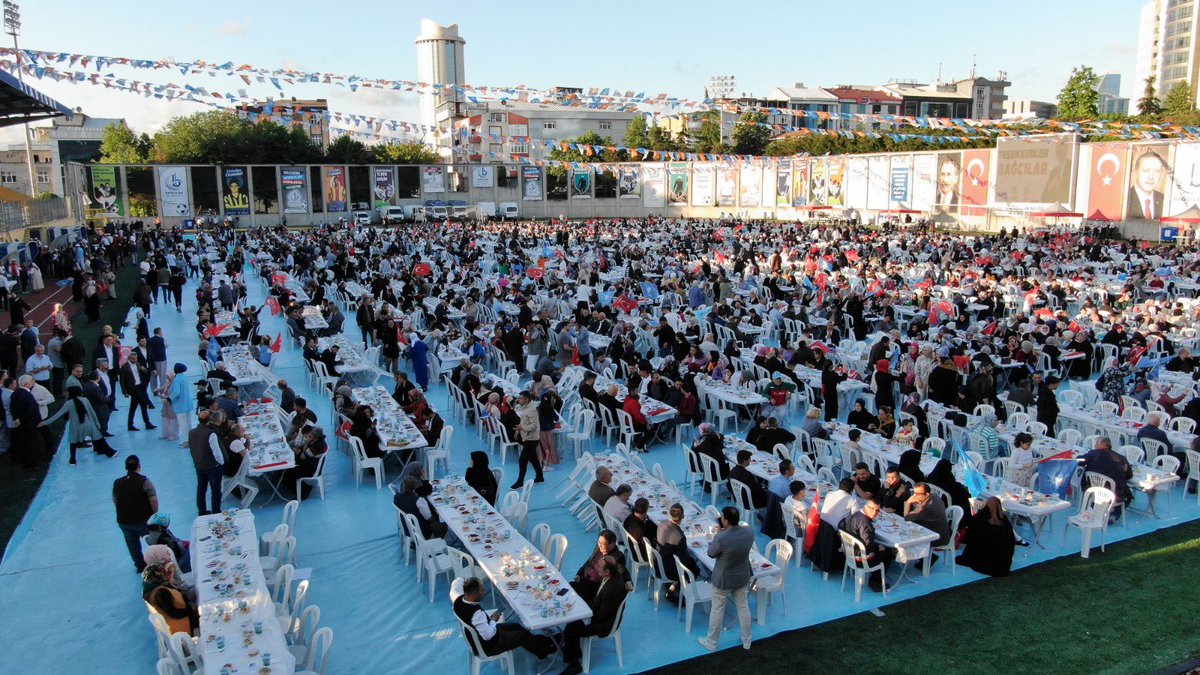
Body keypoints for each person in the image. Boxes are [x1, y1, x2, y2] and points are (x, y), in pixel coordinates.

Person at [452, 577, 557, 662]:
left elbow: (456, 582)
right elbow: (488, 636)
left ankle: (541, 641)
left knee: (516, 626)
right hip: (489, 645)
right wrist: (493, 620)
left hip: (479, 635)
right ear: (474, 593)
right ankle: (543, 651)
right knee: (522, 636)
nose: (483, 592)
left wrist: (463, 580)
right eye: (482, 590)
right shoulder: (476, 614)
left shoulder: (458, 601)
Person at [559, 555, 629, 675]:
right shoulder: (610, 577)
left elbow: (601, 615)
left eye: (599, 566)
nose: (596, 567)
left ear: (607, 572)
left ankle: (574, 664)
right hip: (600, 614)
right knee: (573, 622)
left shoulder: (611, 589)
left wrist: (582, 612)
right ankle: (573, 649)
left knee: (572, 628)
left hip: (603, 624)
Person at [698, 506, 755, 652]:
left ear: (726, 521)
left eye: (723, 517)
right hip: (742, 576)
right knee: (743, 607)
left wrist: (719, 535)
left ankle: (711, 642)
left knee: (717, 610)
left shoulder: (722, 537)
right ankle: (747, 640)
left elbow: (711, 553)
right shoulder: (748, 531)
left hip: (724, 579)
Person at [41, 385, 116, 464]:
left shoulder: (68, 403)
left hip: (76, 427)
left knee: (72, 443)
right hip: (89, 425)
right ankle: (110, 452)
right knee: (99, 439)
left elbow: (57, 415)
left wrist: (45, 422)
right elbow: (92, 412)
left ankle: (72, 460)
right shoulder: (85, 400)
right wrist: (97, 423)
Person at [112, 454, 158, 573]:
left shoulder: (117, 483)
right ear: (139, 466)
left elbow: (115, 500)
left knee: (132, 544)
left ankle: (140, 565)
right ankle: (158, 561)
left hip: (124, 521)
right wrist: (154, 514)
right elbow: (153, 500)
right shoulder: (144, 481)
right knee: (154, 540)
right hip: (143, 519)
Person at [839, 497, 893, 592]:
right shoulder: (865, 523)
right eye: (871, 509)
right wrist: (877, 547)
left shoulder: (856, 514)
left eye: (877, 510)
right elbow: (867, 547)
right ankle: (876, 582)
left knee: (882, 548)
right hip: (860, 559)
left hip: (849, 553)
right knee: (888, 552)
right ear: (866, 506)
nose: (874, 513)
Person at [956, 496, 1017, 577]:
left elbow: (970, 535)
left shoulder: (980, 518)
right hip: (1002, 563)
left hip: (984, 560)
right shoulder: (1005, 521)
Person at [571, 530, 633, 603]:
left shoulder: (617, 557)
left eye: (602, 543)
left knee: (575, 602)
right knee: (567, 589)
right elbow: (589, 561)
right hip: (583, 580)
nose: (599, 545)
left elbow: (623, 571)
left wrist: (628, 581)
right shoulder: (598, 547)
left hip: (593, 589)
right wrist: (579, 573)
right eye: (599, 542)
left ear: (612, 544)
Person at [1080, 437, 1133, 516]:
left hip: (1093, 490)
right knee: (1128, 495)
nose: (1094, 445)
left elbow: (1079, 461)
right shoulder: (1122, 458)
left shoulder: (1092, 454)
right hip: (1114, 493)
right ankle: (1114, 515)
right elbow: (1129, 476)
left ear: (1103, 445)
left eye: (1096, 444)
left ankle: (1094, 508)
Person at [904, 482, 951, 567]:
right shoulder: (934, 496)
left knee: (907, 536)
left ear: (927, 494)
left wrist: (908, 502)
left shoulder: (926, 507)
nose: (914, 496)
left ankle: (928, 557)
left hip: (938, 537)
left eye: (918, 494)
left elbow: (906, 518)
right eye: (914, 492)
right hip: (940, 529)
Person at [189, 411, 225, 515]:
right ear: (209, 420)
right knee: (216, 491)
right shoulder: (211, 434)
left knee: (201, 489)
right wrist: (221, 463)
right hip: (212, 466)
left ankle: (202, 511)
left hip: (199, 465)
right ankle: (216, 512)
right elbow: (216, 452)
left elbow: (192, 448)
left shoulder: (191, 432)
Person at [393, 474, 447, 539]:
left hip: (406, 526)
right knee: (443, 526)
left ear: (403, 485)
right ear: (416, 486)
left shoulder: (397, 496)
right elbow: (428, 518)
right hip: (420, 529)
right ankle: (434, 541)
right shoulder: (418, 500)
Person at [511, 391, 544, 489]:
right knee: (533, 458)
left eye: (520, 398)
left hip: (532, 438)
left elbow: (534, 426)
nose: (518, 400)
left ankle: (520, 482)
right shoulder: (525, 408)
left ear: (526, 400)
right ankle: (540, 477)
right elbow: (524, 421)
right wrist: (518, 432)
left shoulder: (531, 410)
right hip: (527, 437)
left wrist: (522, 428)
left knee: (522, 460)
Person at [119, 350, 157, 431]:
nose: (135, 360)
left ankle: (130, 424)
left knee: (133, 406)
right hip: (132, 388)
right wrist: (124, 392)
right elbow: (122, 381)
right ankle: (147, 423)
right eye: (133, 359)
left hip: (139, 386)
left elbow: (143, 373)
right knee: (143, 404)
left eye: (136, 358)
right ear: (128, 358)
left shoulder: (137, 364)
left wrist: (144, 370)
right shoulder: (124, 367)